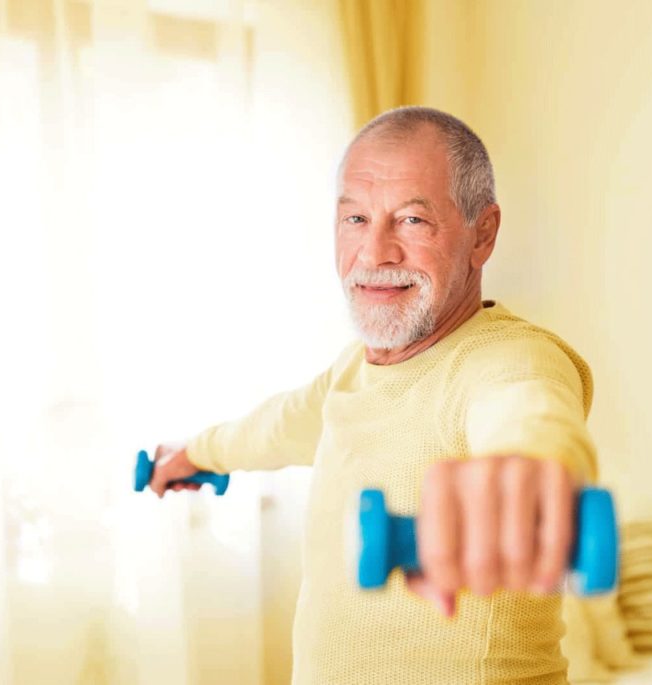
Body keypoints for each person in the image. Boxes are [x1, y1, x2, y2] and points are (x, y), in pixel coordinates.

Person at [150, 106, 598, 684]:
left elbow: (532, 417)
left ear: (482, 234)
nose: (375, 253)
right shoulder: (353, 372)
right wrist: (196, 452)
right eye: (356, 219)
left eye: (412, 220)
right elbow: (278, 425)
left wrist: (528, 476)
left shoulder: (507, 359)